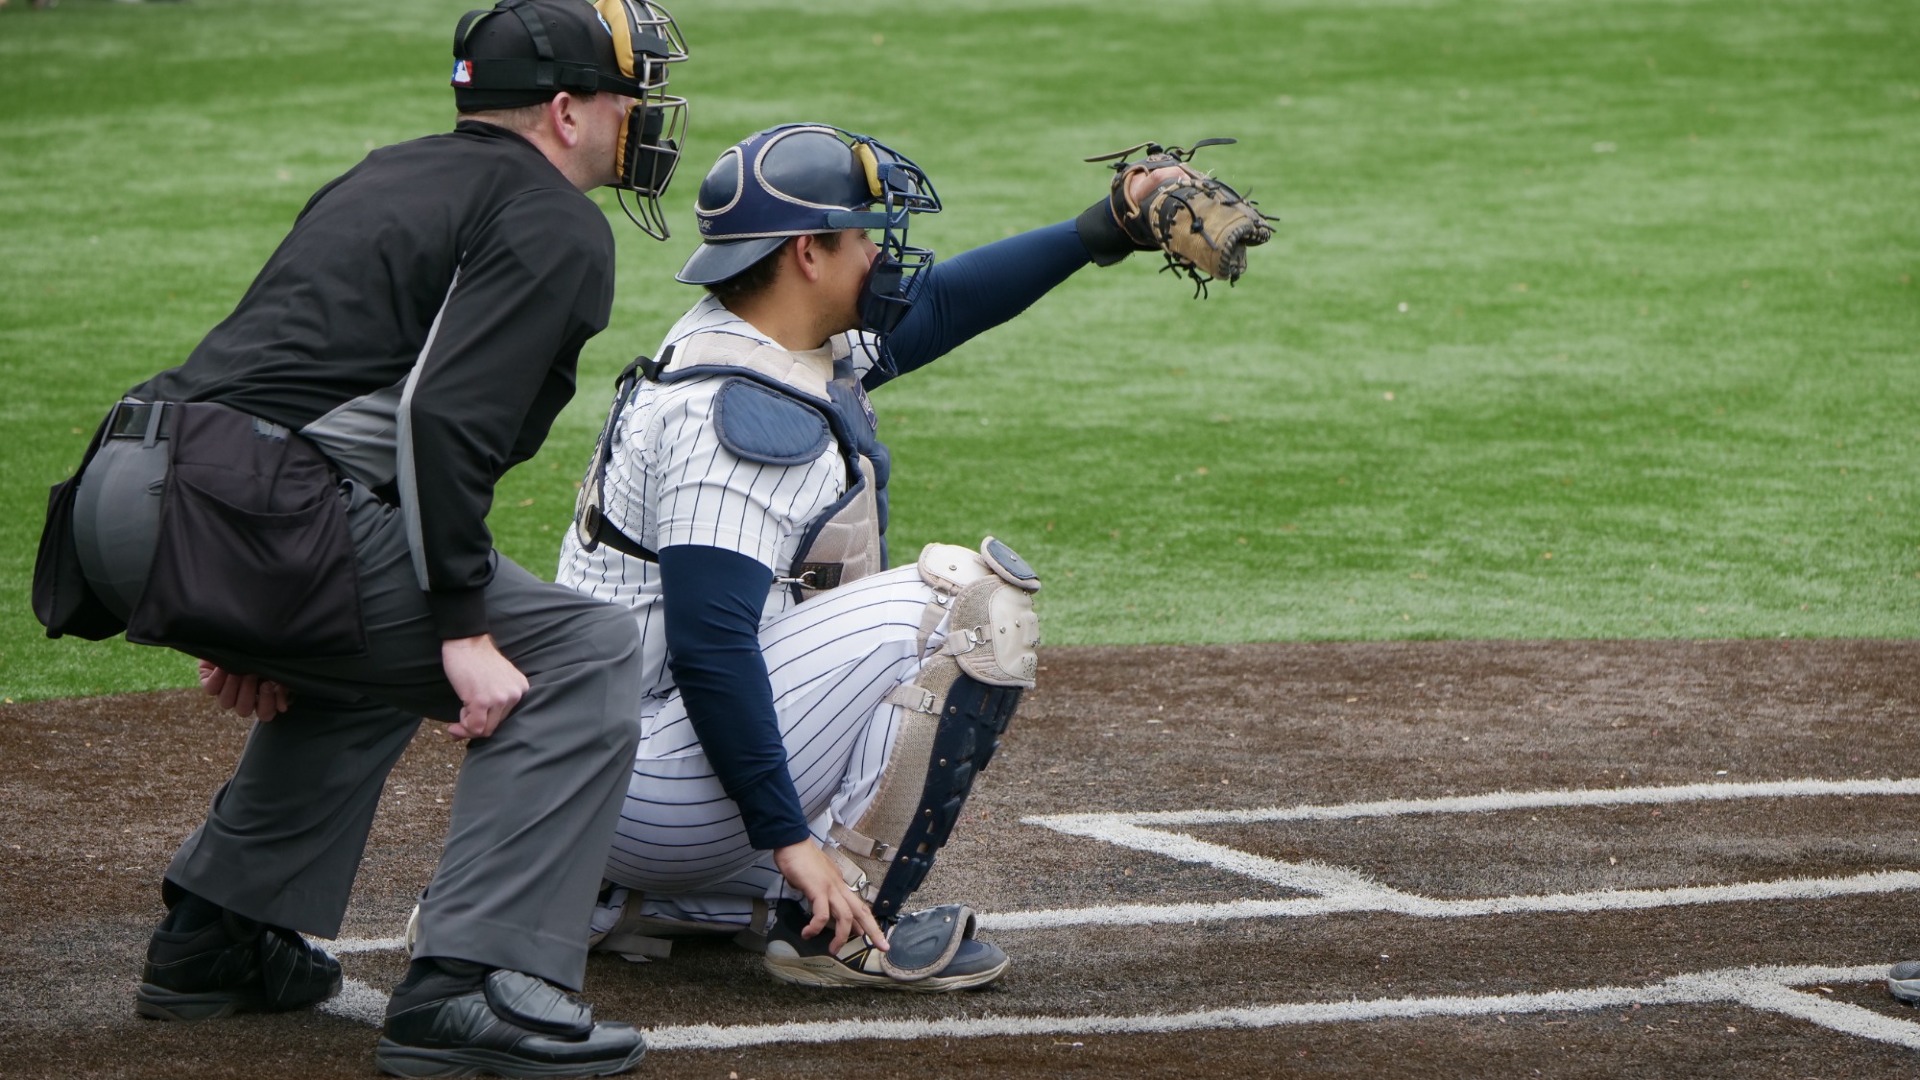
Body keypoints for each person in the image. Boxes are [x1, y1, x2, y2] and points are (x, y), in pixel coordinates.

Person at [36, 1, 689, 1075]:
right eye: (628, 97)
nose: (642, 118)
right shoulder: (551, 217)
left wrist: (249, 605)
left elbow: (281, 380)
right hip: (242, 507)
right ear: (567, 110)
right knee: (578, 652)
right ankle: (472, 984)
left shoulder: (389, 170)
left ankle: (220, 938)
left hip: (134, 488)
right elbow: (443, 424)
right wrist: (464, 625)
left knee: (382, 646)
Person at [552, 123, 1193, 990]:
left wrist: (1100, 231)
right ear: (808, 253)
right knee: (968, 606)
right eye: (862, 236)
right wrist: (789, 843)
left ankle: (621, 897)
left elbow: (943, 310)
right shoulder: (735, 420)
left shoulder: (758, 334)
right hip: (643, 776)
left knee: (841, 642)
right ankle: (839, 927)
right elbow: (712, 649)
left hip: (603, 776)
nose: (883, 256)